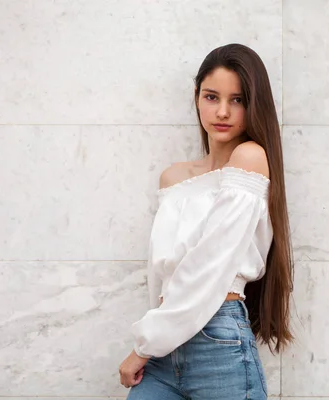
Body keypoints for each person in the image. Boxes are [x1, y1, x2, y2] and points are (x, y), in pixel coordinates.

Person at [119, 43, 294, 399]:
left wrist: (143, 346)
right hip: (164, 347)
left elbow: (209, 265)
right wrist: (154, 339)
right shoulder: (173, 179)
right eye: (212, 97)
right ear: (197, 97)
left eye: (238, 100)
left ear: (253, 105)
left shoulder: (250, 158)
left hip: (219, 341)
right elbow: (161, 276)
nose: (223, 112)